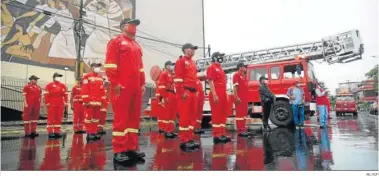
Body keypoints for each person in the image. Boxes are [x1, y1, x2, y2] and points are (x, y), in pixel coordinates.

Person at [104, 18, 146, 163]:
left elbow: (140, 67)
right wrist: (114, 83)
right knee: (121, 118)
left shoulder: (136, 45)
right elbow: (110, 64)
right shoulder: (116, 41)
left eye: (135, 25)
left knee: (134, 118)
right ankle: (119, 150)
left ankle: (131, 148)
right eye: (132, 24)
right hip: (121, 86)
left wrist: (142, 83)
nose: (134, 27)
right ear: (123, 26)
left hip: (135, 87)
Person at [174, 43, 201, 151]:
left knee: (192, 116)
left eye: (194, 50)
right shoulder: (180, 61)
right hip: (185, 92)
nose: (193, 51)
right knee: (185, 116)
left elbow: (195, 79)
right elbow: (178, 78)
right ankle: (184, 140)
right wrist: (181, 92)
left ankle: (189, 138)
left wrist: (197, 91)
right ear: (185, 50)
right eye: (191, 49)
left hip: (193, 92)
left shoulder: (193, 63)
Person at [207, 51, 231, 143]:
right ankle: (217, 134)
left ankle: (222, 133)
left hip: (222, 93)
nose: (221, 58)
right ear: (214, 58)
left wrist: (226, 94)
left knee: (222, 113)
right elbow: (211, 81)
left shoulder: (220, 68)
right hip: (216, 93)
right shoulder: (211, 67)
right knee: (217, 114)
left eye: (221, 56)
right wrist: (214, 94)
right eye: (219, 56)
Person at [81, 63, 105, 141]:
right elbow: (84, 89)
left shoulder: (101, 78)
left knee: (96, 118)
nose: (98, 68)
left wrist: (102, 101)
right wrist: (86, 100)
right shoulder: (87, 76)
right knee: (89, 118)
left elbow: (102, 90)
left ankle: (94, 132)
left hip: (98, 102)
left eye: (99, 67)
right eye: (96, 66)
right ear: (91, 67)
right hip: (90, 102)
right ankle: (89, 133)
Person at [157, 61, 178, 138]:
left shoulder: (172, 74)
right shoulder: (164, 74)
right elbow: (161, 86)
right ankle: (166, 131)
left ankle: (171, 130)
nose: (172, 67)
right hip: (168, 94)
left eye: (172, 66)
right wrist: (164, 96)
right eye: (170, 65)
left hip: (174, 94)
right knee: (167, 113)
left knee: (173, 113)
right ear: (166, 66)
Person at [44, 73, 68, 139]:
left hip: (60, 104)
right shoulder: (49, 85)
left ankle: (57, 131)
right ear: (54, 77)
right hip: (52, 103)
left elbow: (65, 95)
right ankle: (50, 132)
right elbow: (46, 95)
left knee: (59, 118)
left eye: (60, 77)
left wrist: (66, 102)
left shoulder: (63, 85)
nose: (59, 78)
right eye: (57, 76)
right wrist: (47, 102)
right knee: (51, 118)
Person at [233, 61, 250, 137]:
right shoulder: (236, 75)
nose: (245, 68)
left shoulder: (244, 76)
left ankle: (243, 129)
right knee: (239, 114)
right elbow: (235, 87)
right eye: (243, 67)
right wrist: (236, 97)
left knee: (244, 113)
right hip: (239, 98)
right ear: (240, 67)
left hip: (245, 98)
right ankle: (240, 130)